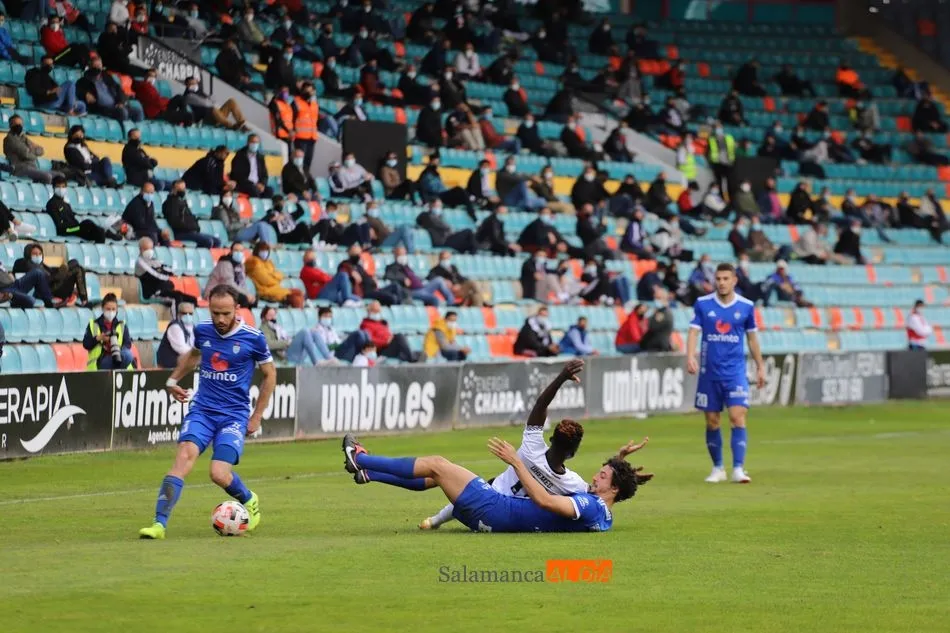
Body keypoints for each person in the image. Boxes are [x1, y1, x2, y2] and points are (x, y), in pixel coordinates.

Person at [343, 365, 652, 533]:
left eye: (603, 476)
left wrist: (516, 462)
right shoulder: (594, 506)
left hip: (495, 506)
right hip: (494, 516)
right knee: (436, 473)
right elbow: (604, 492)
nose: (596, 477)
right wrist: (622, 466)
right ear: (572, 453)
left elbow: (545, 500)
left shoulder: (582, 496)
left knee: (437, 465)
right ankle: (370, 471)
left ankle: (361, 458)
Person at [138, 285, 274, 540]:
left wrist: (256, 416)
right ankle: (159, 525)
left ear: (237, 309)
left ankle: (249, 499)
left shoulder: (253, 337)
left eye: (225, 313)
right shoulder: (202, 330)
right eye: (215, 313)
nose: (220, 319)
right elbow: (194, 355)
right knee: (183, 458)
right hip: (202, 410)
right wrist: (172, 380)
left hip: (233, 415)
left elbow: (270, 374)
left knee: (218, 473)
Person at [686, 263, 765, 485]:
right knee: (712, 421)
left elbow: (752, 339)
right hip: (709, 373)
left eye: (725, 279)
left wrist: (760, 366)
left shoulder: (746, 306)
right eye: (718, 279)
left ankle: (738, 468)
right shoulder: (703, 304)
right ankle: (718, 468)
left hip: (735, 373)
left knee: (737, 416)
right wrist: (690, 356)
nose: (721, 283)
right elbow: (693, 332)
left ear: (734, 281)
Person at [335, 301, 417, 363]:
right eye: (374, 311)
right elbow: (369, 340)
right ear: (369, 311)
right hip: (379, 350)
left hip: (389, 346)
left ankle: (409, 356)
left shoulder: (383, 323)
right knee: (399, 337)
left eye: (377, 311)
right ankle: (411, 358)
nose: (376, 313)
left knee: (399, 337)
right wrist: (385, 341)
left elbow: (388, 335)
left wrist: (390, 338)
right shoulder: (365, 324)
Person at [12, 242, 88, 306]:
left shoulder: (41, 265)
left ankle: (78, 296)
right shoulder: (26, 264)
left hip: (54, 284)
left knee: (74, 262)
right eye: (34, 254)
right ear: (28, 254)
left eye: (40, 254)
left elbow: (50, 271)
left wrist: (58, 273)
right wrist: (57, 275)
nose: (38, 256)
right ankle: (84, 301)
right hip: (48, 291)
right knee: (78, 269)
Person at [135, 236, 197, 311]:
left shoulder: (153, 260)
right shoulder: (140, 262)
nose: (149, 251)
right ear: (140, 249)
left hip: (163, 291)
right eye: (146, 249)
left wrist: (173, 272)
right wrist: (168, 276)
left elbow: (166, 267)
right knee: (176, 298)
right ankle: (176, 318)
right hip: (153, 293)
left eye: (151, 248)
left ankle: (189, 317)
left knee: (192, 300)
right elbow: (156, 274)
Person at [384, 246, 456, 307]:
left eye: (404, 254)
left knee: (439, 280)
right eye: (400, 254)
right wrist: (403, 279)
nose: (403, 256)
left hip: (422, 287)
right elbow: (388, 276)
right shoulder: (392, 267)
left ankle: (451, 303)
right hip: (412, 291)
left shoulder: (406, 266)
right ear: (395, 255)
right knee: (435, 299)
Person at [83, 293, 136, 370]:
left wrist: (115, 346)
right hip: (100, 362)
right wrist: (99, 338)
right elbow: (86, 344)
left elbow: (127, 344)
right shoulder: (93, 325)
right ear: (102, 308)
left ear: (117, 310)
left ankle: (117, 370)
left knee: (127, 355)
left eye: (113, 309)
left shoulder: (121, 325)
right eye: (108, 309)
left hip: (118, 358)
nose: (111, 312)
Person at [4, 115, 63, 184]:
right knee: (47, 176)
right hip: (20, 169)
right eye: (16, 124)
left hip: (33, 168)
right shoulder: (10, 139)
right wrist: (33, 151)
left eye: (20, 124)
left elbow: (41, 151)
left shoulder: (23, 137)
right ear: (10, 125)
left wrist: (30, 150)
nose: (19, 126)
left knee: (60, 175)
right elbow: (25, 154)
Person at [47, 177, 107, 243]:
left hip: (74, 228)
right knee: (87, 224)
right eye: (58, 187)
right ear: (53, 188)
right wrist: (78, 227)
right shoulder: (51, 204)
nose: (61, 189)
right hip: (66, 230)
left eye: (63, 187)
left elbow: (73, 220)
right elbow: (60, 225)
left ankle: (104, 236)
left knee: (99, 231)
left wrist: (78, 226)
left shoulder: (66, 204)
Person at [163, 181, 220, 248]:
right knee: (207, 241)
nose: (183, 191)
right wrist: (191, 227)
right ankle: (197, 253)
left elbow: (190, 218)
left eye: (184, 188)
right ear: (174, 189)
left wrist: (195, 227)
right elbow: (175, 222)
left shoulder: (182, 201)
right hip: (181, 233)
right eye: (180, 189)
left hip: (191, 232)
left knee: (217, 241)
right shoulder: (170, 203)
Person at [245, 242, 301, 306]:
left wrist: (274, 276)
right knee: (295, 298)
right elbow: (266, 280)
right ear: (257, 251)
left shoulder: (268, 263)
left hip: (274, 288)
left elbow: (279, 274)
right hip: (264, 290)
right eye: (262, 251)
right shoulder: (254, 263)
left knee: (298, 292)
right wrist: (275, 278)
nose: (265, 253)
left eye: (266, 251)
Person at [203, 242, 256, 308]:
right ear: (231, 252)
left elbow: (242, 284)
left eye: (241, 251)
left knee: (253, 301)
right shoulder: (225, 263)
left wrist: (248, 295)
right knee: (243, 299)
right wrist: (246, 294)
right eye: (236, 250)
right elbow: (229, 283)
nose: (239, 253)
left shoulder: (241, 265)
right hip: (216, 292)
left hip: (229, 291)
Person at [156, 301, 196, 369]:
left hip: (183, 363)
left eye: (190, 313)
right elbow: (181, 349)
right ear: (179, 314)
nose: (188, 316)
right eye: (184, 313)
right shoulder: (175, 327)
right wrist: (198, 355)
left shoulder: (193, 327)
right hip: (169, 365)